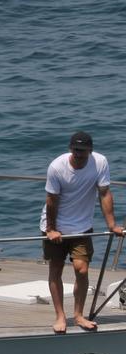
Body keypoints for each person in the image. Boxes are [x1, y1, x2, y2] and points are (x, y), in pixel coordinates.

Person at [41, 131, 124, 334]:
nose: (79, 154)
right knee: (56, 269)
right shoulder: (57, 167)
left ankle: (78, 315)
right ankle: (60, 316)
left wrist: (112, 224)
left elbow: (104, 193)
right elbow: (51, 200)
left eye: (83, 151)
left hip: (82, 227)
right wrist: (51, 229)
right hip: (54, 226)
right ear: (70, 148)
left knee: (82, 269)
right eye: (76, 150)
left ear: (90, 151)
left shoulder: (100, 162)